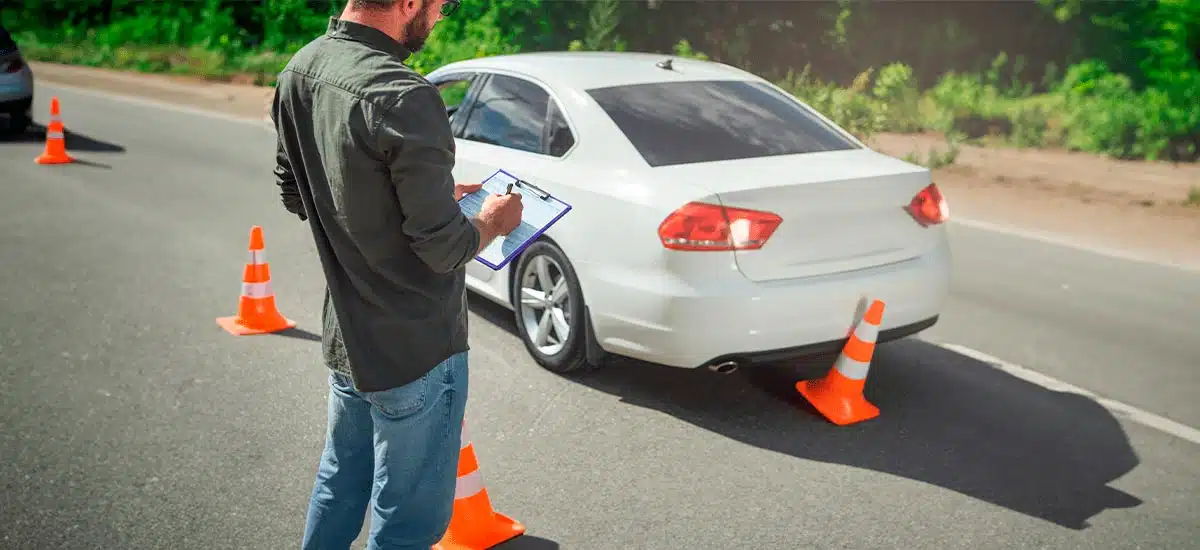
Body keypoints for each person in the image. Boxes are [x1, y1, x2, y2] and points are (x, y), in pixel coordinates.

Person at [270, 0, 524, 548]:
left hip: (347, 333)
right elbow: (445, 248)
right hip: (417, 348)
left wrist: (421, 197)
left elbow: (297, 192)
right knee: (409, 522)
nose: (441, 19)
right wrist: (493, 221)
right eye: (444, 7)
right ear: (412, 1)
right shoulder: (406, 95)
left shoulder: (300, 68)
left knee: (339, 483)